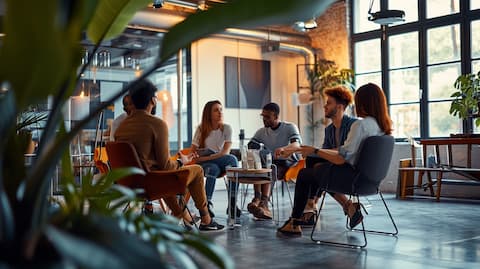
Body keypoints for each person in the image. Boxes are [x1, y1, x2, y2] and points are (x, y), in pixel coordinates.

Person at [277, 83, 393, 237]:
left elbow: (340, 158)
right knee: (315, 164)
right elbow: (338, 154)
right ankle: (313, 209)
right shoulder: (382, 127)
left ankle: (296, 221)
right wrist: (310, 150)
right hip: (371, 182)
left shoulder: (360, 125)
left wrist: (315, 150)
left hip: (354, 180)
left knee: (306, 174)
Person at [115, 79, 224, 232]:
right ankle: (206, 219)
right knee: (197, 170)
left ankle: (179, 217)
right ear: (153, 100)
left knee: (164, 175)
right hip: (150, 185)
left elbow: (147, 161)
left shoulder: (121, 128)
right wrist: (182, 161)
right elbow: (166, 166)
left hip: (129, 184)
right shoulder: (157, 124)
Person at [300, 86, 357, 226]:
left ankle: (311, 206)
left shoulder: (353, 125)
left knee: (317, 170)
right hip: (335, 169)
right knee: (316, 164)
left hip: (351, 171)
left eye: (328, 103)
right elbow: (325, 153)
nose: (325, 106)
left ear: (339, 106)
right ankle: (346, 206)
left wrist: (318, 151)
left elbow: (348, 152)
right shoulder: (329, 130)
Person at [247, 102, 302, 220]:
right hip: (271, 162)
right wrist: (260, 150)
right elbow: (251, 145)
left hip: (289, 163)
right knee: (260, 166)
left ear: (276, 117)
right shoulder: (262, 131)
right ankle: (257, 199)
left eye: (267, 117)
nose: (264, 119)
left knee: (270, 168)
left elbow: (296, 144)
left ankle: (265, 204)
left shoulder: (289, 127)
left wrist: (284, 149)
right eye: (263, 116)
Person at [191, 100, 240, 218]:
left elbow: (225, 152)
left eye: (221, 109)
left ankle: (232, 202)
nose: (220, 112)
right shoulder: (201, 129)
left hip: (221, 161)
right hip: (205, 163)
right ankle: (207, 204)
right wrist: (207, 158)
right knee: (214, 168)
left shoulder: (227, 128)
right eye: (216, 110)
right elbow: (193, 156)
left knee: (231, 159)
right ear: (209, 114)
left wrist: (209, 157)